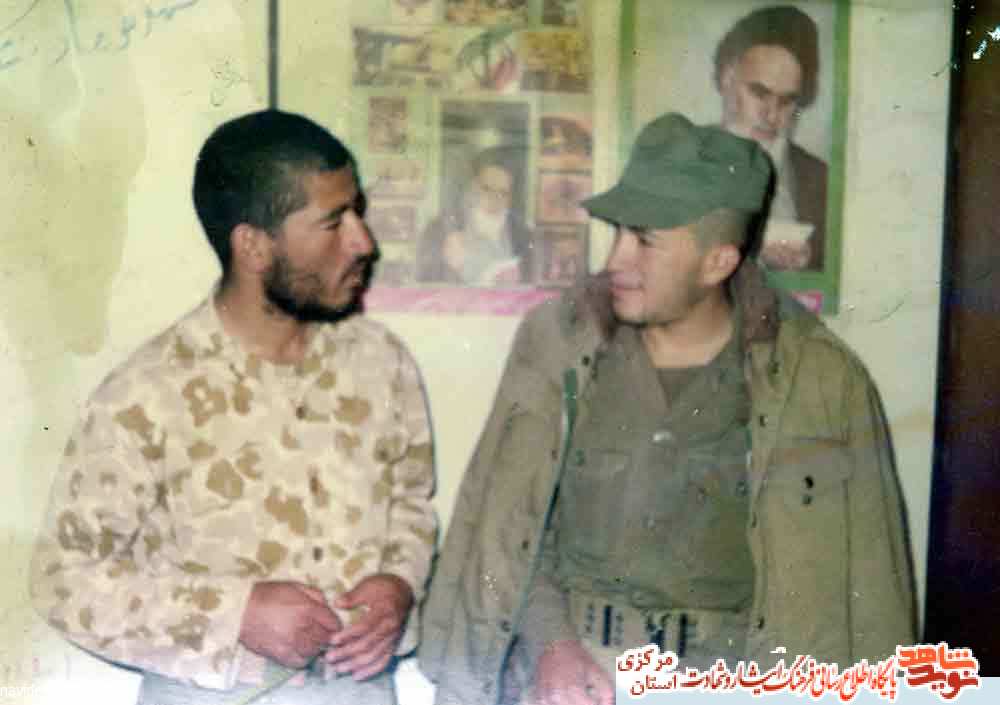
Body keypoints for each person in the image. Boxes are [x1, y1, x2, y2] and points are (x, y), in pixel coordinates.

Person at [420, 113, 915, 705]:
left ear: (717, 263)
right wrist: (553, 645)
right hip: (572, 674)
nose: (616, 260)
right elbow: (513, 533)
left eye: (645, 241)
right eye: (618, 233)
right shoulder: (559, 347)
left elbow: (874, 593)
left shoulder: (820, 382)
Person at [29, 110, 437, 705]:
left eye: (358, 212)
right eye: (333, 222)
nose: (363, 242)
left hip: (359, 691)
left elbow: (412, 506)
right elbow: (63, 578)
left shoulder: (382, 364)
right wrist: (233, 614)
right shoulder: (148, 392)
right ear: (254, 247)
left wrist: (398, 583)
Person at [714, 5, 828, 271]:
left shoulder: (822, 178)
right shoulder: (680, 159)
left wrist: (809, 263)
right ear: (727, 78)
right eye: (759, 93)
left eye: (787, 101)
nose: (771, 114)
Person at [417, 148, 534, 285]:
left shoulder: (523, 234)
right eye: (487, 189)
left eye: (503, 193)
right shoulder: (441, 228)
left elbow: (532, 281)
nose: (494, 198)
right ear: (473, 187)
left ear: (511, 196)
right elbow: (423, 278)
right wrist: (445, 260)